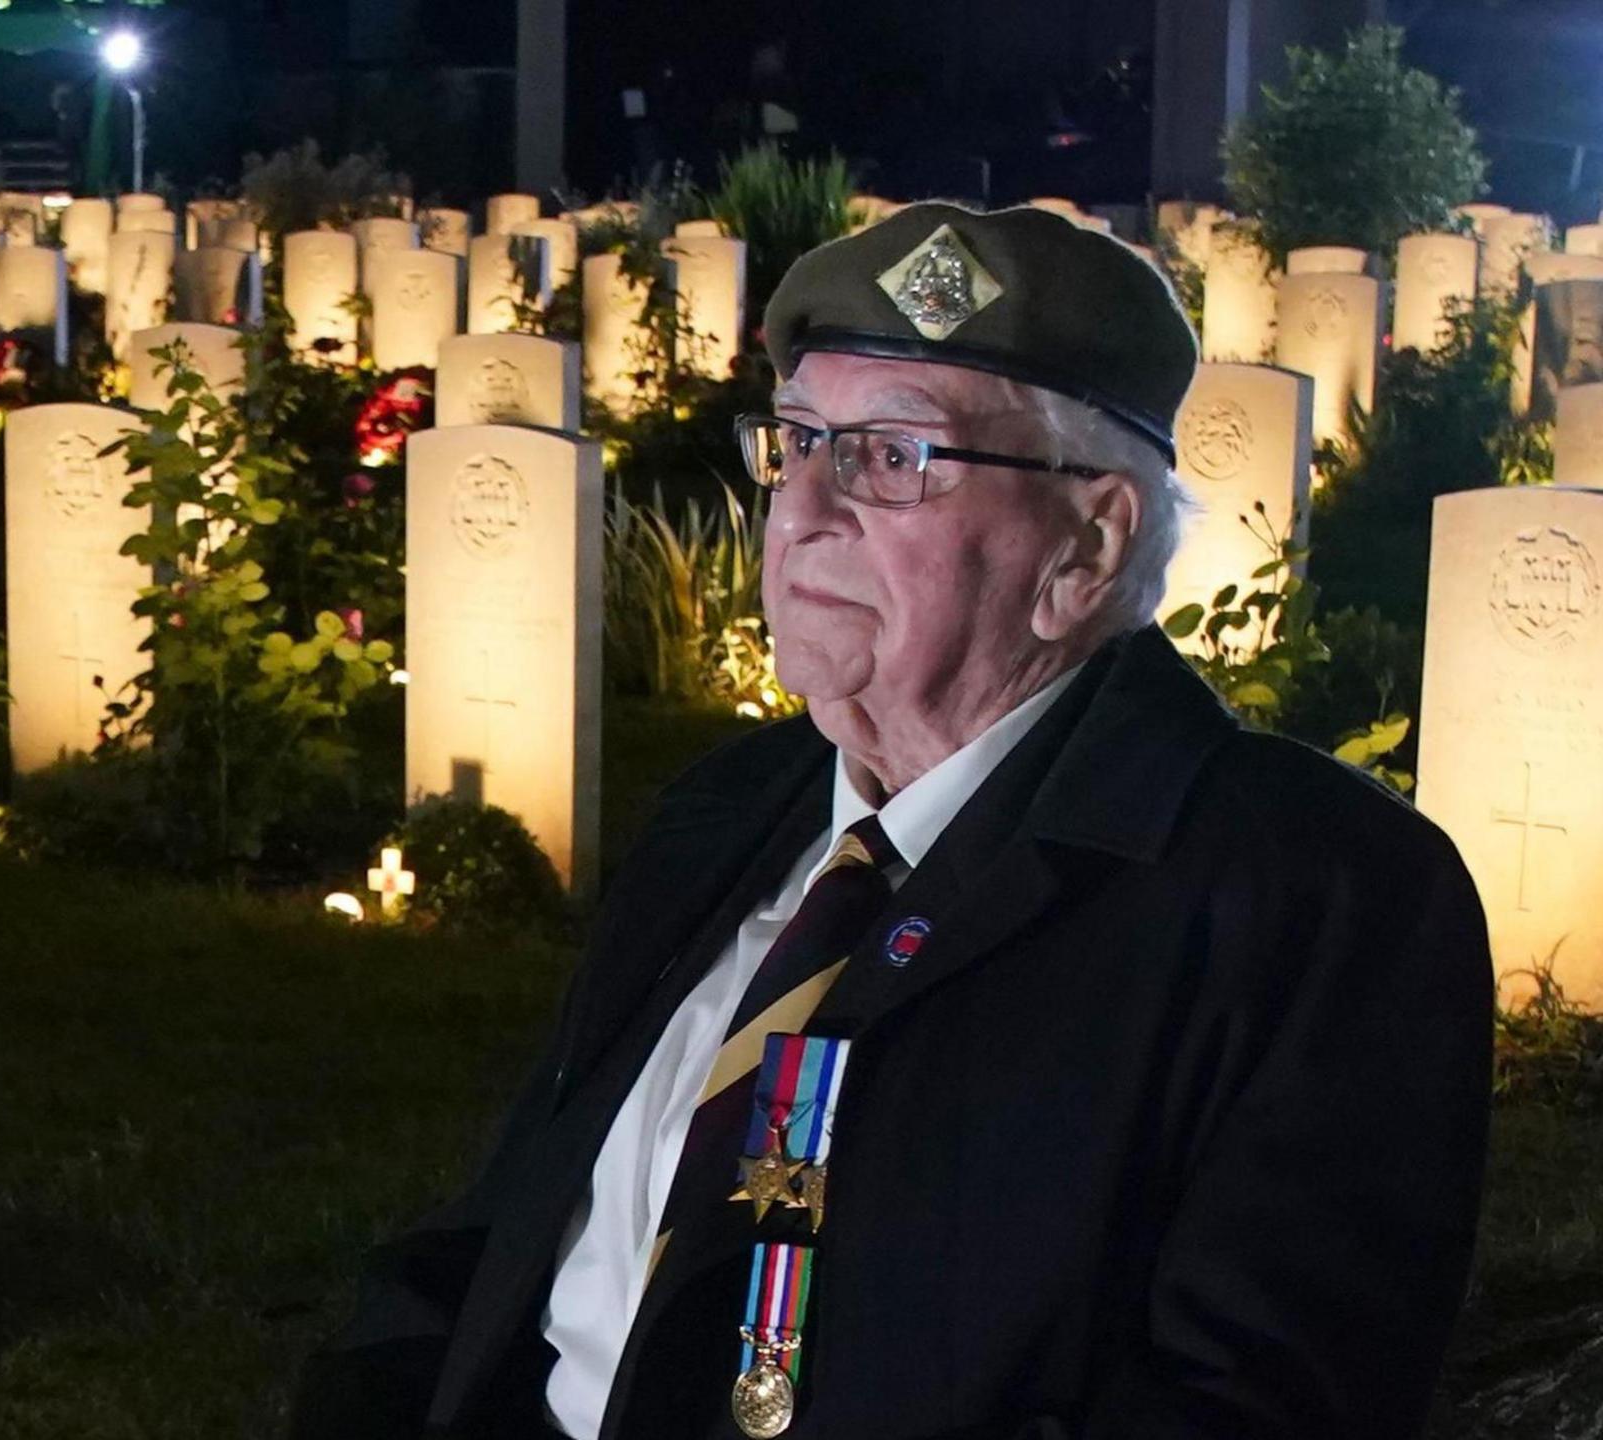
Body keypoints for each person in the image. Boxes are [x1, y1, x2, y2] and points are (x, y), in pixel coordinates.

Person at [290, 203, 1492, 1440]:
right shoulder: (728, 808)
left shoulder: (1311, 897)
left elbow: (1252, 1406)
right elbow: (505, 1235)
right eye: (797, 440)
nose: (803, 510)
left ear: (1088, 540)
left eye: (891, 457)